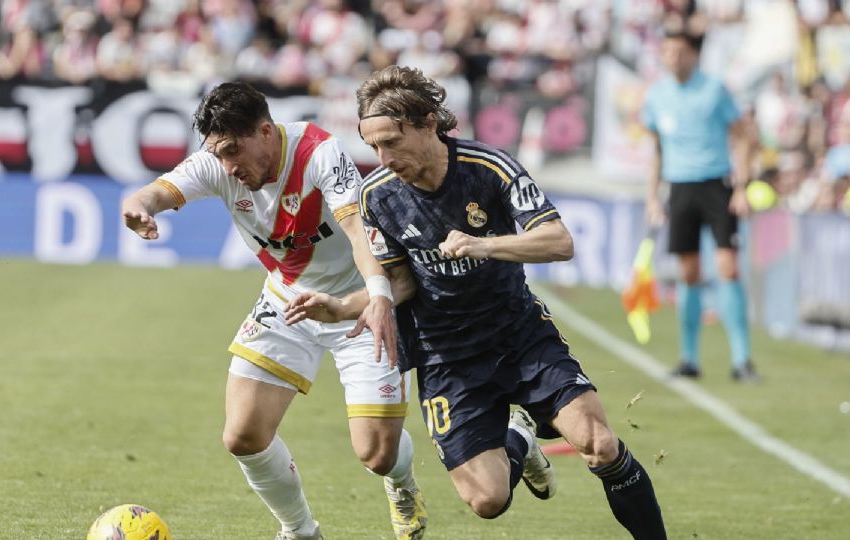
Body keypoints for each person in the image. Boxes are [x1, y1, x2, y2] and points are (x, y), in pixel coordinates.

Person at [286, 65, 667, 539]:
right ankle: (520, 438)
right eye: (374, 146)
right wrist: (343, 307)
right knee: (487, 501)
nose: (383, 157)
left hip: (519, 335)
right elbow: (399, 283)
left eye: (392, 142)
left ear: (428, 123)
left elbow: (559, 241)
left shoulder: (489, 168)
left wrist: (481, 244)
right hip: (447, 356)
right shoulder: (377, 197)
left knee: (600, 445)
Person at [122, 82, 427, 540]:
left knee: (376, 455)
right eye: (217, 153)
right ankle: (300, 531)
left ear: (265, 131)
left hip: (357, 301)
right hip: (289, 300)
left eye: (232, 151)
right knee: (241, 435)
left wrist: (380, 297)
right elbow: (154, 193)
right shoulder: (217, 162)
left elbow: (359, 235)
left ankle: (402, 485)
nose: (227, 166)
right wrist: (137, 207)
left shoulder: (321, 153)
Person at [642, 28, 757, 382]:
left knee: (728, 268)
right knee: (689, 273)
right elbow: (656, 150)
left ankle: (742, 360)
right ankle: (689, 358)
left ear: (693, 55)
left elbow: (743, 137)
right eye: (668, 51)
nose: (673, 58)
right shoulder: (657, 96)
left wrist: (741, 186)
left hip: (717, 185)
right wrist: (652, 196)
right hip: (680, 188)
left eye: (679, 51)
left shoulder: (714, 89)